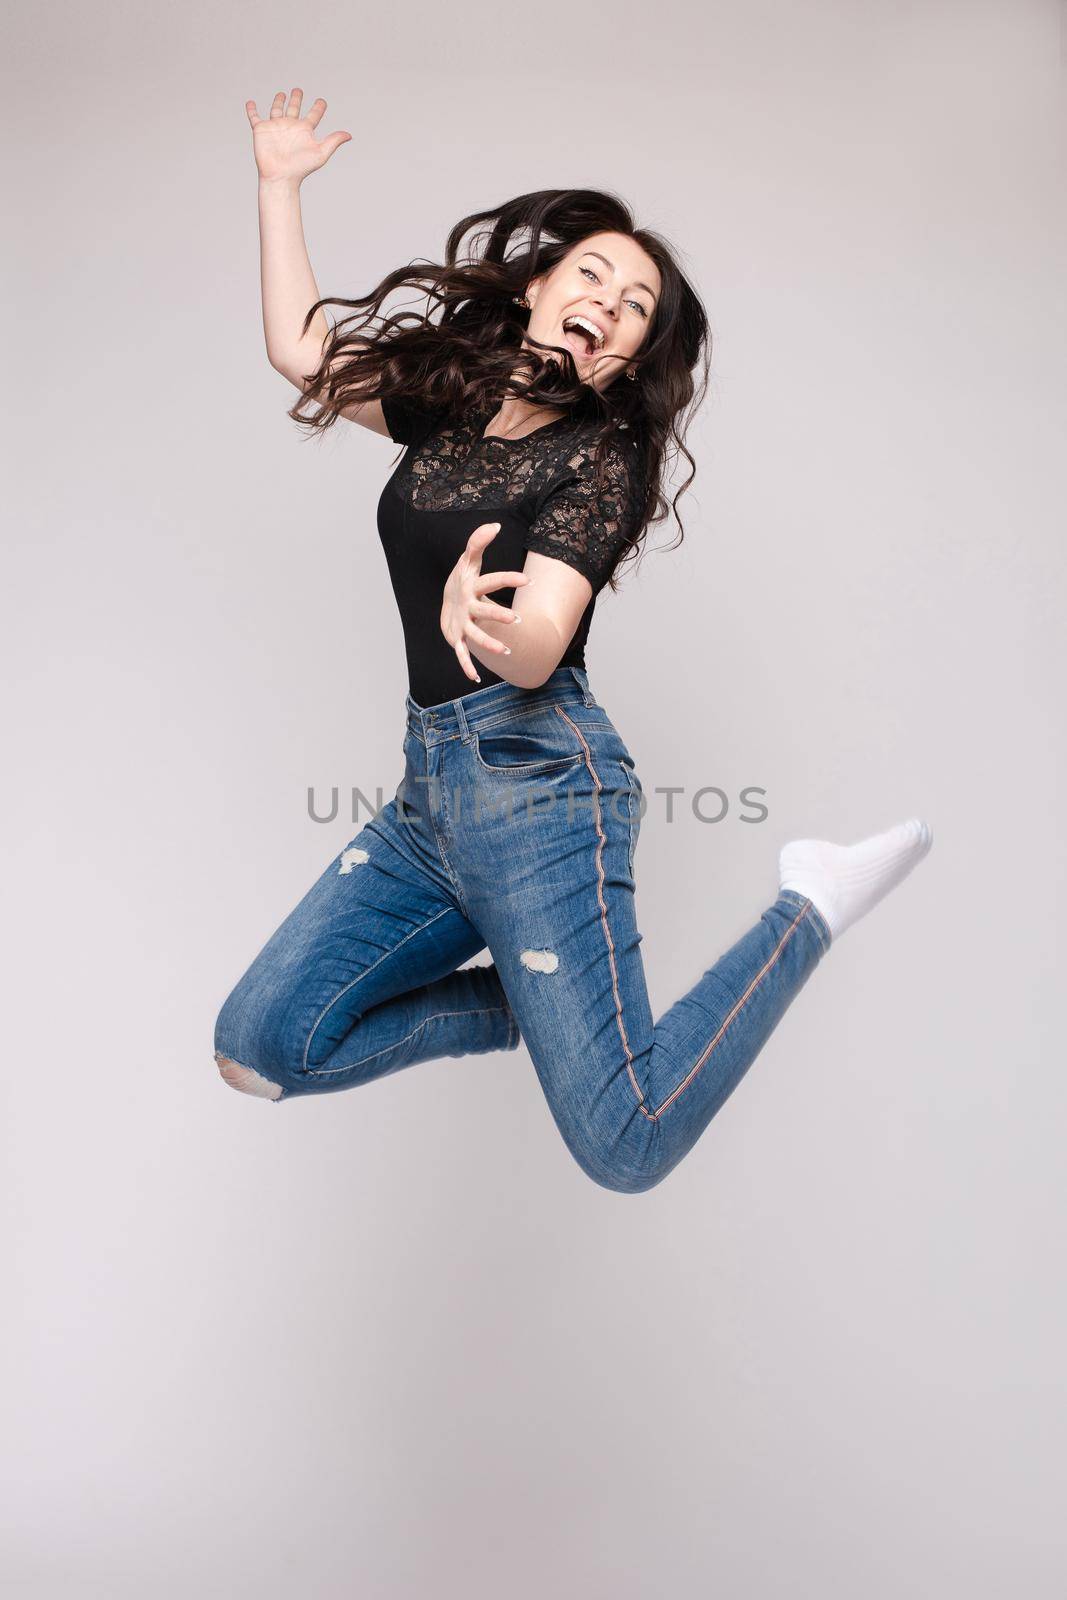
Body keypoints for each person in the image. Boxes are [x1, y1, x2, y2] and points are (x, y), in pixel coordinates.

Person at [214, 88, 933, 1195]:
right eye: (592, 272)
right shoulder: (448, 408)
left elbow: (543, 638)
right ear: (539, 289)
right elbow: (301, 353)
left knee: (624, 1142)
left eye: (637, 302)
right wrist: (276, 188)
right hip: (430, 799)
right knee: (262, 1045)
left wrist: (482, 625)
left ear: (630, 352)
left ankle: (809, 901)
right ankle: (532, 1010)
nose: (609, 298)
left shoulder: (603, 457)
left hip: (545, 788)